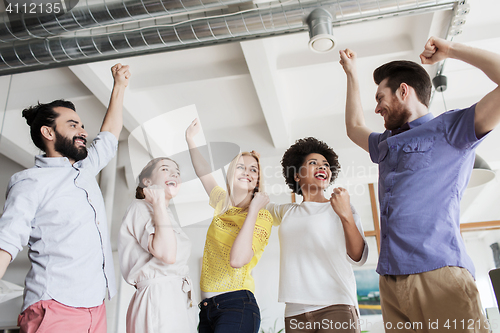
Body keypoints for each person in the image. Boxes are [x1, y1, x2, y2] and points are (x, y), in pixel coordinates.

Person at [340, 36, 500, 331]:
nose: (377, 109)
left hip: (438, 274)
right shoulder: (385, 143)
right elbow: (353, 128)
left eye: (379, 98)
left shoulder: (452, 129)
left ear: (403, 91)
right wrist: (351, 74)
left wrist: (451, 51)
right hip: (390, 280)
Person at [0, 64, 130, 333]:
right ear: (48, 133)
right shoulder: (29, 182)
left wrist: (119, 87)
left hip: (96, 307)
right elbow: (6, 242)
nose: (82, 130)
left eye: (82, 125)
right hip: (54, 306)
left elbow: (108, 136)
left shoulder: (84, 170)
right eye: (72, 125)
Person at [264, 137, 367, 333]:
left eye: (326, 165)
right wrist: (256, 166)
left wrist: (345, 215)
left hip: (336, 305)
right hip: (295, 311)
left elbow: (358, 257)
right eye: (313, 163)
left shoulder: (341, 207)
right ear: (296, 175)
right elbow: (257, 202)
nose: (322, 167)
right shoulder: (286, 212)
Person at [185, 118, 272, 333]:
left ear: (258, 179)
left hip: (237, 306)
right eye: (241, 167)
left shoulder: (261, 217)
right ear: (231, 173)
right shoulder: (221, 202)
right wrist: (190, 140)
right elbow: (203, 172)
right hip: (207, 309)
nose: (247, 172)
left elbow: (237, 260)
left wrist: (252, 211)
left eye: (254, 170)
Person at [118, 157, 197, 333]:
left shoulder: (165, 214)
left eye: (177, 172)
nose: (174, 174)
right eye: (165, 169)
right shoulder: (140, 208)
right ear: (147, 181)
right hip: (158, 297)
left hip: (177, 298)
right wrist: (159, 202)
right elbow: (167, 254)